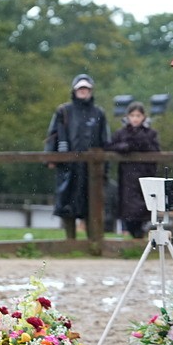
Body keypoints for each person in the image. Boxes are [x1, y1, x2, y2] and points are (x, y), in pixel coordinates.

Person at [44, 74, 109, 238]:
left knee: (91, 203)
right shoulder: (63, 111)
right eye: (80, 88)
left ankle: (93, 241)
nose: (83, 91)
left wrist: (105, 167)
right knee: (67, 203)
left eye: (86, 88)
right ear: (74, 90)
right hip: (68, 167)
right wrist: (50, 158)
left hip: (91, 168)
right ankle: (70, 241)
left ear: (91, 91)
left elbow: (105, 141)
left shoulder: (98, 113)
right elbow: (53, 135)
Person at [104, 101, 160, 238]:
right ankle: (134, 238)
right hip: (127, 177)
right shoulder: (121, 133)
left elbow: (155, 150)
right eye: (132, 115)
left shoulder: (151, 133)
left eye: (138, 115)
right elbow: (109, 146)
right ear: (128, 117)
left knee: (142, 209)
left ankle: (139, 238)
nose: (135, 118)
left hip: (145, 175)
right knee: (128, 210)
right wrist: (124, 147)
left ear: (143, 117)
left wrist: (134, 145)